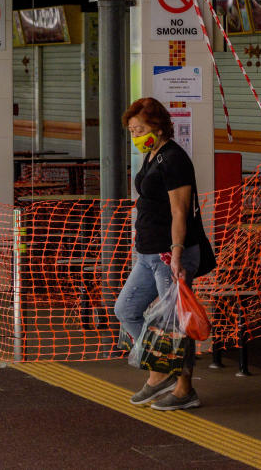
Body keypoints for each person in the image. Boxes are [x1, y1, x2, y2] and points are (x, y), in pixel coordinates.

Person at [115, 96, 204, 411]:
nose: (136, 136)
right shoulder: (152, 155)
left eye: (139, 129)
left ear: (158, 125)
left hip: (170, 254)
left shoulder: (174, 159)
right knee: (126, 309)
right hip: (148, 253)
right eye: (132, 131)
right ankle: (163, 369)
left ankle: (178, 386)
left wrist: (177, 251)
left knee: (176, 325)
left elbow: (180, 211)